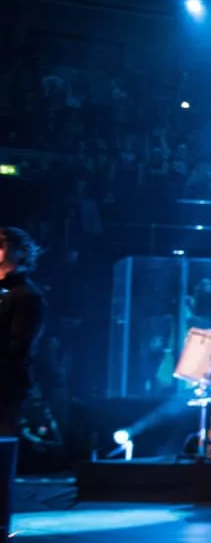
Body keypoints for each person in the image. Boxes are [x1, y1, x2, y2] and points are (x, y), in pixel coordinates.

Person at [0, 227, 45, 540]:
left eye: (1, 244)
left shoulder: (25, 295)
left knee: (0, 458)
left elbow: (19, 346)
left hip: (6, 387)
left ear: (18, 252)